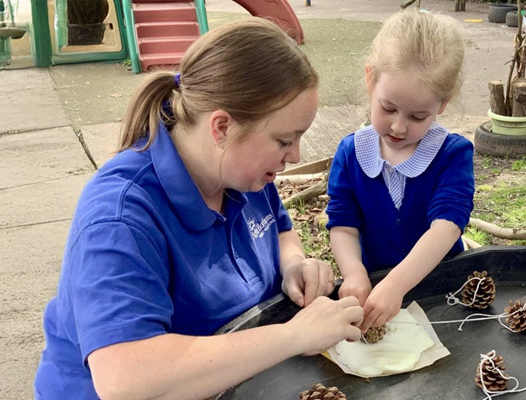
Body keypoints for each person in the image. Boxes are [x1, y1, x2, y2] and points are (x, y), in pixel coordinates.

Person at [34, 18, 363, 400]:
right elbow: (124, 378)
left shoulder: (246, 175)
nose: (295, 156)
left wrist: (293, 264)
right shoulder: (120, 216)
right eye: (284, 140)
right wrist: (293, 335)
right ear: (221, 127)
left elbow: (281, 230)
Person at [326, 10, 475, 331]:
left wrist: (397, 285)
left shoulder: (452, 154)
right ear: (370, 79)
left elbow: (446, 227)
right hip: (374, 290)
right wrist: (353, 273)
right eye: (388, 108)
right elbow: (343, 224)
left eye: (418, 116)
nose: (398, 125)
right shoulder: (350, 153)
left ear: (443, 104)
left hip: (442, 293)